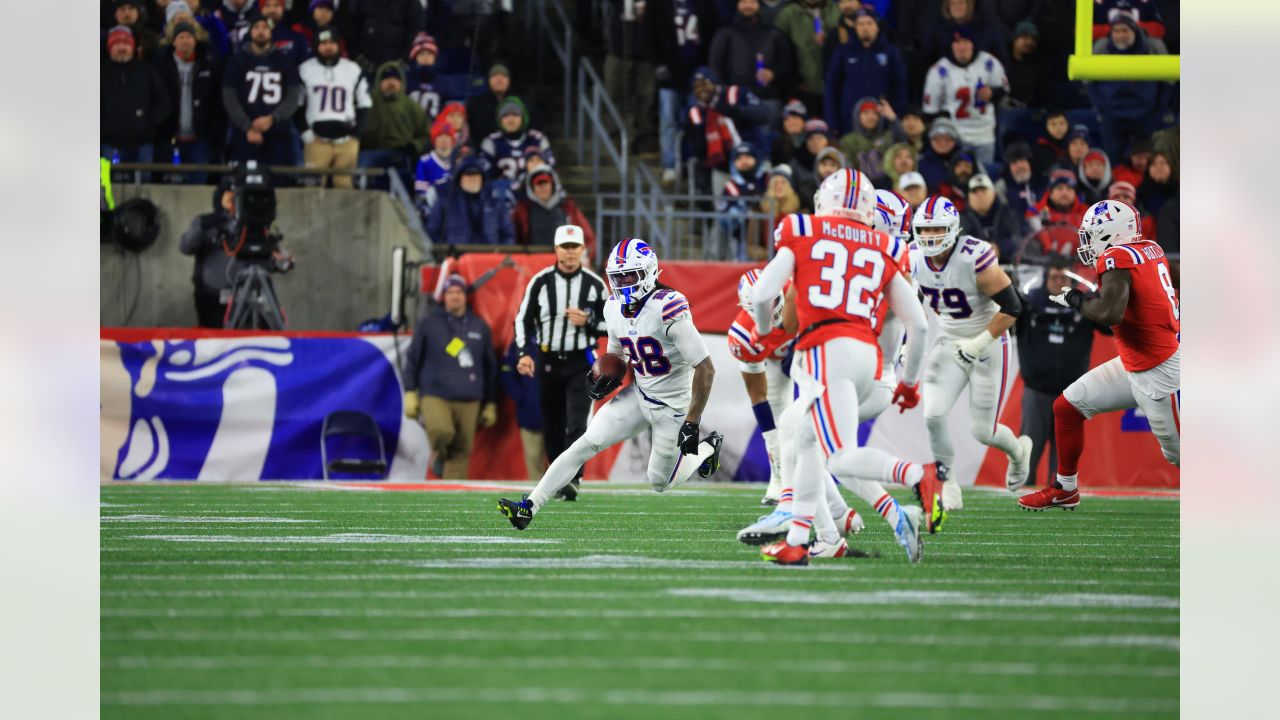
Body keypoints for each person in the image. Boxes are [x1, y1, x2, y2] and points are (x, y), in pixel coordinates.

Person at [749, 169, 933, 565]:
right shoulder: (889, 249)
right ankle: (808, 538)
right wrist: (911, 382)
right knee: (807, 439)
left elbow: (766, 294)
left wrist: (765, 334)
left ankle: (914, 476)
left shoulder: (805, 229)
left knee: (831, 453)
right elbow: (918, 325)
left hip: (830, 352)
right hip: (872, 362)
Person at [500, 237, 725, 526]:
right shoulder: (613, 307)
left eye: (629, 275)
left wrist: (692, 423)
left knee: (659, 482)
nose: (623, 282)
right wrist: (606, 375)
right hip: (640, 394)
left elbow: (706, 369)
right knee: (585, 444)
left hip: (673, 406)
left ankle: (709, 448)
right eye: (618, 276)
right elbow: (616, 355)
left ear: (649, 272)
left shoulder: (669, 307)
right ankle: (529, 507)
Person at [1018, 200, 1179, 510]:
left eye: (1092, 233)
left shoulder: (1115, 257)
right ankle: (1065, 488)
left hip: (1158, 372)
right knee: (1067, 406)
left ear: (1112, 234)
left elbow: (1110, 313)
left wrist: (1075, 299)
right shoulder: (1149, 247)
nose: (1086, 241)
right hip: (1137, 361)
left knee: (1179, 454)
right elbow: (1169, 275)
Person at [911, 194, 1033, 521]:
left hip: (988, 342)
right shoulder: (912, 258)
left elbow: (1013, 307)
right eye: (924, 230)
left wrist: (978, 344)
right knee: (932, 414)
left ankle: (1019, 452)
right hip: (949, 339)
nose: (930, 237)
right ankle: (947, 479)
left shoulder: (973, 257)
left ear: (952, 228)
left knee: (983, 431)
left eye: (937, 229)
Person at [512, 226, 610, 501]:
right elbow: (522, 319)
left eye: (574, 246)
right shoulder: (541, 282)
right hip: (547, 360)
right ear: (556, 250)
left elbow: (613, 324)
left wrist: (588, 321)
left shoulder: (594, 284)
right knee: (552, 423)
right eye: (564, 246)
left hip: (580, 361)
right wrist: (523, 353)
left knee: (577, 423)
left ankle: (573, 479)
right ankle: (557, 480)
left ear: (582, 249)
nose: (569, 251)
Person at [403, 274, 498, 480]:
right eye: (450, 292)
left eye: (459, 292)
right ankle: (439, 455)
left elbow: (490, 367)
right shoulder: (429, 323)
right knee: (441, 432)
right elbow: (413, 358)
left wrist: (490, 402)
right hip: (436, 393)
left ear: (465, 296)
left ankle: (451, 494)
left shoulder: (479, 326)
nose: (455, 296)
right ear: (443, 296)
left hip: (470, 396)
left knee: (461, 452)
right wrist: (410, 391)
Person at [1015, 257, 1096, 488]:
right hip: (1036, 391)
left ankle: (1060, 496)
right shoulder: (1029, 303)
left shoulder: (1082, 303)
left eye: (1063, 277)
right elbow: (1007, 317)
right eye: (1053, 277)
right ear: (1044, 277)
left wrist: (1094, 300)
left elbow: (1108, 327)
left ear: (1072, 279)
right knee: (1027, 453)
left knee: (1063, 458)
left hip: (1071, 393)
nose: (1058, 281)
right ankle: (1018, 498)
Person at [644, 0, 720, 184]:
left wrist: (706, 68)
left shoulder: (705, 4)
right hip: (669, 73)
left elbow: (712, 33)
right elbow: (649, 33)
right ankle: (670, 165)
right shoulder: (657, 4)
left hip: (697, 75)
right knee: (669, 121)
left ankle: (694, 163)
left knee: (697, 121)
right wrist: (658, 64)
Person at [1087, 16, 1172, 162]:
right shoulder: (1102, 47)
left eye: (1125, 30)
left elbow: (1167, 83)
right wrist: (1102, 110)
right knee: (1114, 163)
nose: (1120, 36)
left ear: (1134, 31)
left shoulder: (1153, 47)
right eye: (1116, 31)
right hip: (1113, 118)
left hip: (1145, 117)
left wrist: (1157, 112)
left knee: (1146, 163)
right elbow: (1089, 82)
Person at [222, 15, 302, 167]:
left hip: (278, 133)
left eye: (265, 28)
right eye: (256, 27)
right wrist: (247, 126)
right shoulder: (237, 60)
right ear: (250, 32)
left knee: (279, 183)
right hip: (244, 134)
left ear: (271, 32)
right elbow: (229, 97)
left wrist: (273, 118)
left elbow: (293, 96)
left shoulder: (284, 60)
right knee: (242, 183)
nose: (261, 31)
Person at [921, 27, 1008, 166]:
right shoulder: (938, 70)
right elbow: (930, 111)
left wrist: (992, 93)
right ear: (951, 45)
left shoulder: (989, 62)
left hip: (985, 133)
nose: (961, 46)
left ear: (973, 43)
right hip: (956, 137)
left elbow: (1004, 89)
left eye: (965, 41)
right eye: (957, 42)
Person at [298, 27, 371, 189]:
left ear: (339, 45)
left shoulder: (352, 69)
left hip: (346, 141)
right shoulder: (305, 69)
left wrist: (356, 135)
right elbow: (297, 105)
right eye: (323, 43)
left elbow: (364, 103)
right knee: (313, 189)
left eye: (332, 43)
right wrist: (307, 135)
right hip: (316, 140)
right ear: (316, 46)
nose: (328, 47)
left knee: (344, 187)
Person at [154, 20, 223, 183]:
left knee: (198, 185)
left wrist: (213, 133)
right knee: (167, 186)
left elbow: (217, 102)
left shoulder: (209, 63)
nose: (185, 40)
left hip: (200, 139)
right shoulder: (161, 65)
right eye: (181, 37)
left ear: (195, 40)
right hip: (169, 138)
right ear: (173, 41)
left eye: (189, 37)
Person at [685, 67, 771, 193]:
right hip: (723, 168)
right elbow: (698, 151)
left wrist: (734, 111)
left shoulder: (735, 94)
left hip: (756, 158)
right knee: (724, 207)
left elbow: (764, 114)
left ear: (714, 83)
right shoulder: (696, 114)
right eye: (696, 87)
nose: (701, 89)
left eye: (704, 84)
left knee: (768, 204)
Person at [823, 7, 907, 137]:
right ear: (855, 27)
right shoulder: (842, 52)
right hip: (849, 121)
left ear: (877, 26)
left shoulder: (891, 52)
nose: (865, 27)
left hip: (883, 122)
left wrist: (896, 116)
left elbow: (901, 85)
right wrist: (832, 122)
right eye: (860, 24)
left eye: (869, 23)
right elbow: (831, 87)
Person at [708, 0, 792, 117]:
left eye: (752, 2)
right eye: (744, 2)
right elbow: (715, 66)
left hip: (768, 99)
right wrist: (725, 93)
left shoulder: (774, 33)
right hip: (735, 100)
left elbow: (787, 63)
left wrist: (773, 73)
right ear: (737, 5)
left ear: (759, 5)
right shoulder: (725, 33)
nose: (748, 6)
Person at [102, 26, 171, 167]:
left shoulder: (147, 71)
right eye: (116, 44)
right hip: (108, 143)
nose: (121, 47)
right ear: (109, 48)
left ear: (133, 47)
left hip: (143, 144)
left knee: (144, 187)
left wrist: (149, 123)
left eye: (125, 44)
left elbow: (163, 102)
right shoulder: (99, 72)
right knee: (106, 186)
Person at [178, 176, 238, 327]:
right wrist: (202, 228)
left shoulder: (247, 226)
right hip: (210, 295)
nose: (232, 199)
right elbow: (185, 247)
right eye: (229, 195)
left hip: (242, 297)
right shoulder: (205, 222)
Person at [359, 61, 428, 188]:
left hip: (400, 153)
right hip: (371, 152)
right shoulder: (367, 102)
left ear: (401, 83)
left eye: (395, 79)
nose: (391, 83)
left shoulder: (411, 106)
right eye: (386, 79)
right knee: (361, 165)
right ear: (379, 82)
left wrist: (414, 146)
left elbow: (427, 134)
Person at [426, 157, 516, 245]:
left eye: (476, 174)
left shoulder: (496, 205)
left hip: (490, 257)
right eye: (468, 174)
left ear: (482, 179)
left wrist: (500, 256)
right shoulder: (445, 203)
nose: (472, 178)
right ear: (459, 178)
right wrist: (445, 256)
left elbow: (508, 235)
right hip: (456, 257)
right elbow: (432, 233)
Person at [773, 0, 841, 113]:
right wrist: (795, 81)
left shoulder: (836, 10)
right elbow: (780, 51)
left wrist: (830, 39)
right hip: (802, 87)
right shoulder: (788, 13)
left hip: (835, 85)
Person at [513, 167, 597, 251]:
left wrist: (585, 254)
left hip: (563, 260)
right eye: (538, 184)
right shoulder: (522, 211)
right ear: (532, 188)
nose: (543, 188)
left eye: (546, 184)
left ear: (552, 186)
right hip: (533, 260)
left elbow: (589, 238)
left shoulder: (568, 208)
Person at [499, 340, 546, 482]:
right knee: (533, 458)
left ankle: (563, 491)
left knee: (561, 455)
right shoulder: (521, 342)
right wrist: (522, 397)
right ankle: (538, 497)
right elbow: (506, 372)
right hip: (531, 412)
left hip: (559, 411)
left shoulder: (561, 335)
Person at [479, 97, 555, 184]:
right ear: (499, 120)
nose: (510, 120)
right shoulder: (491, 142)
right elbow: (485, 176)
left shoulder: (538, 139)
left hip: (532, 192)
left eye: (515, 115)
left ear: (523, 117)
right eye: (505, 115)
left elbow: (549, 170)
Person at [716, 144, 767, 260]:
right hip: (742, 239)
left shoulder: (767, 179)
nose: (744, 161)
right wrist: (742, 212)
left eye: (748, 157)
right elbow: (723, 216)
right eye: (739, 158)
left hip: (768, 235)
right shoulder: (730, 187)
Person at [838, 98, 898, 188]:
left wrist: (893, 119)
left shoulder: (887, 137)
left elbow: (903, 145)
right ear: (857, 116)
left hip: (888, 189)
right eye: (866, 112)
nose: (871, 117)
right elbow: (847, 172)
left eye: (875, 113)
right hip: (859, 189)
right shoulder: (848, 141)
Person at [346, 0, 424, 67]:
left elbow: (415, 32)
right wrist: (357, 56)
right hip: (363, 66)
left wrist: (404, 60)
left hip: (398, 69)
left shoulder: (410, 3)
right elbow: (351, 28)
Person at [959, 174, 1021, 258]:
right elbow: (961, 244)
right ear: (969, 196)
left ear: (993, 193)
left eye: (983, 190)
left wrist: (1000, 248)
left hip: (1009, 263)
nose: (979, 195)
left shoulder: (1008, 213)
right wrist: (984, 250)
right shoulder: (962, 219)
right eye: (975, 192)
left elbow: (1020, 238)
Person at [996, 141, 1043, 231]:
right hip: (1020, 233)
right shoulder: (1002, 187)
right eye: (1014, 162)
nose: (1020, 165)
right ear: (1009, 167)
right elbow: (1006, 216)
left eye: (1022, 160)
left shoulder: (1043, 182)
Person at [466, 64, 514, 151]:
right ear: (488, 80)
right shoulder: (475, 104)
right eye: (495, 76)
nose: (499, 79)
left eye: (504, 76)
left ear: (509, 81)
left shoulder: (518, 103)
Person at [1005, 20, 1050, 109]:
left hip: (1031, 110)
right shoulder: (1002, 61)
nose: (1030, 42)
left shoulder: (1040, 64)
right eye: (1025, 37)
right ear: (1015, 39)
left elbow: (1045, 93)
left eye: (1034, 39)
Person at [414, 123, 456, 213]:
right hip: (434, 208)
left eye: (447, 136)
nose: (444, 140)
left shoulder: (458, 160)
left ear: (452, 140)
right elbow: (421, 193)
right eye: (440, 136)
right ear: (434, 140)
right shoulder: (425, 161)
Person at [917, 117, 964, 192]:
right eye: (937, 139)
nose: (942, 143)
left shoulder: (966, 160)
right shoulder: (920, 163)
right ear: (930, 140)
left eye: (947, 139)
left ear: (955, 141)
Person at [258, 0, 309, 68]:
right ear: (261, 9)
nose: (272, 10)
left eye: (276, 5)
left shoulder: (296, 37)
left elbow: (304, 65)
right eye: (267, 5)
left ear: (282, 8)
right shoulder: (251, 36)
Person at [404, 32, 441, 121]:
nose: (425, 58)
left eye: (429, 54)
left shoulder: (442, 80)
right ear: (414, 57)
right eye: (421, 54)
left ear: (435, 57)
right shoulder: (406, 79)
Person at [1137, 150, 1177, 220]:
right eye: (1154, 164)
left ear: (1170, 167)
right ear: (1148, 169)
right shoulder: (1141, 192)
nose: (1159, 167)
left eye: (1162, 163)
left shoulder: (1179, 190)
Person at [770, 99, 809, 166]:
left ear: (804, 122)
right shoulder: (773, 139)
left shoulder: (810, 140)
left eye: (795, 117)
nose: (791, 121)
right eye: (786, 119)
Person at [1031, 110, 1070, 177]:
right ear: (1046, 126)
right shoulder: (1039, 148)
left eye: (1062, 123)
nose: (1058, 128)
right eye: (1053, 124)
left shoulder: (1074, 143)